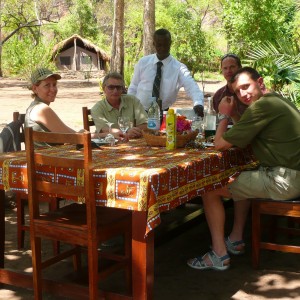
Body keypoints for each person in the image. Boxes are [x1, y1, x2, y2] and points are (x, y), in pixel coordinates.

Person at [187, 67, 300, 271]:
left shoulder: (261, 107)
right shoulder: (276, 100)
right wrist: (233, 118)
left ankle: (219, 254)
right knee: (240, 175)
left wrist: (224, 115)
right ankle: (236, 239)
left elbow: (220, 144)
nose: (243, 94)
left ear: (260, 82)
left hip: (284, 180)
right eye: (238, 91)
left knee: (208, 187)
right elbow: (244, 132)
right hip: (292, 176)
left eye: (246, 87)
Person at [25, 67, 123, 141]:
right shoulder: (41, 109)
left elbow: (73, 135)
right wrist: (107, 134)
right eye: (47, 85)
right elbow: (73, 137)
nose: (53, 89)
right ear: (35, 89)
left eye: (54, 85)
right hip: (48, 163)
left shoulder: (35, 107)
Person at [127, 28, 204, 117]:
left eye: (166, 45)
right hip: (139, 111)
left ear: (170, 43)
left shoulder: (179, 68)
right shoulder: (143, 62)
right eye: (159, 45)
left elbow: (191, 86)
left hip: (162, 113)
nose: (163, 48)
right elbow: (133, 86)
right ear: (153, 44)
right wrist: (130, 106)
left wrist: (198, 103)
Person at [91, 72, 148, 139]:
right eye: (111, 87)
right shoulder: (97, 108)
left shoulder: (132, 100)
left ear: (122, 89)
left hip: (134, 143)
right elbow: (105, 129)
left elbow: (145, 124)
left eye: (118, 87)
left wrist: (134, 132)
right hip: (110, 144)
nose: (115, 91)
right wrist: (126, 133)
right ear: (104, 88)